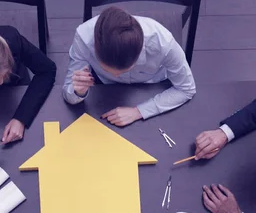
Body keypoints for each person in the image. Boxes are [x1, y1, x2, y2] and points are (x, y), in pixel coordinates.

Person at [63, 7, 196, 127]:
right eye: (107, 69)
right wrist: (78, 92)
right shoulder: (83, 37)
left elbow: (186, 89)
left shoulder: (164, 43)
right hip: (105, 88)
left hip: (154, 85)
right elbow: (68, 91)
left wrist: (139, 111)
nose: (117, 76)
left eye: (125, 70)